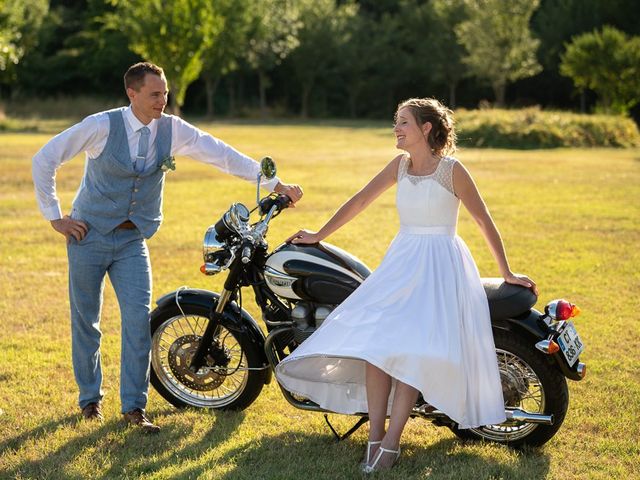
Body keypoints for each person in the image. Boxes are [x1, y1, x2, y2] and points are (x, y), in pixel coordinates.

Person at [32, 61, 303, 433]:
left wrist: (276, 184)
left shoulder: (171, 129)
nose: (163, 100)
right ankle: (90, 400)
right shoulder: (100, 126)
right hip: (88, 236)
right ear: (132, 93)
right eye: (155, 94)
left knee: (139, 322)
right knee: (86, 323)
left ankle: (134, 407)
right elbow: (44, 158)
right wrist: (56, 216)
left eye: (165, 93)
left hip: (132, 239)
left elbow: (221, 153)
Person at [275, 98, 536, 472]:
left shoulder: (452, 170)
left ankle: (392, 445)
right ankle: (374, 438)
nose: (396, 129)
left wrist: (507, 271)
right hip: (402, 262)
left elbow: (483, 220)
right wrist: (319, 233)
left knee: (410, 352)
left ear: (426, 128)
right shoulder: (399, 165)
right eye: (395, 122)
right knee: (374, 347)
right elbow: (360, 200)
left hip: (441, 264)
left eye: (403, 123)